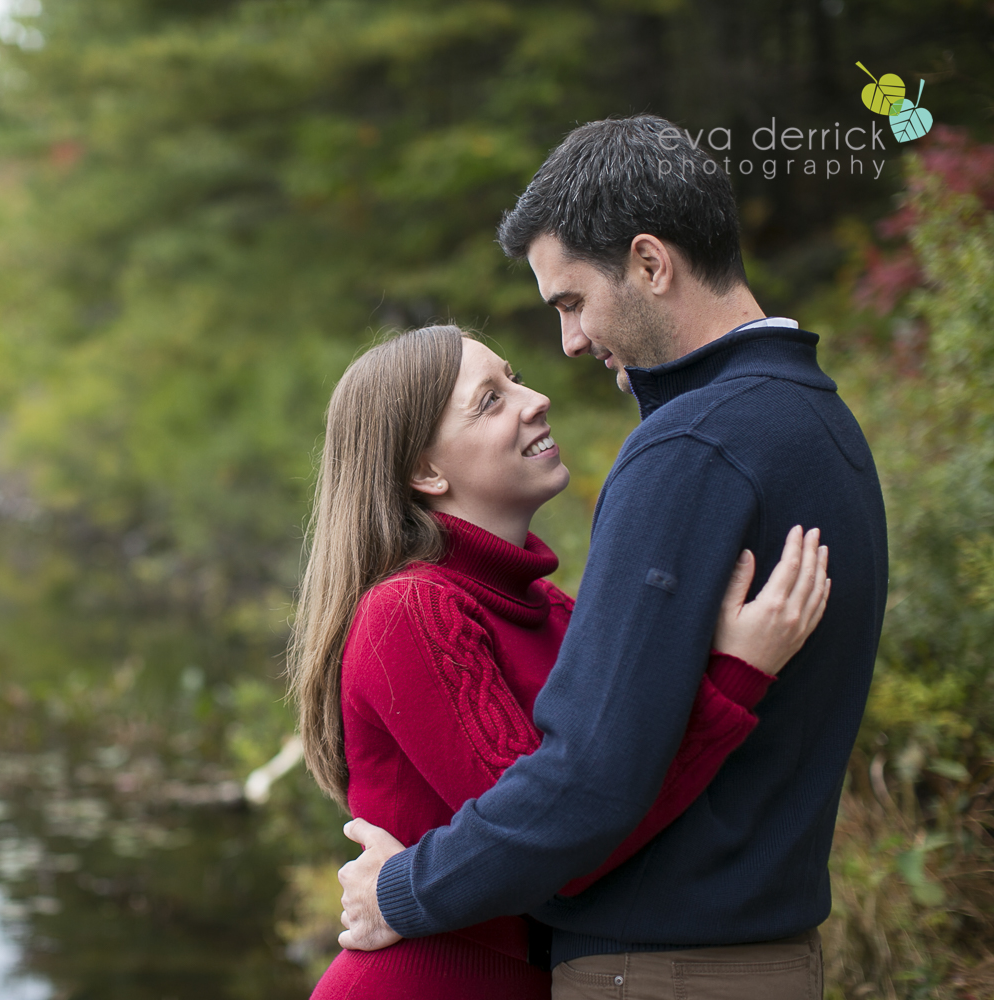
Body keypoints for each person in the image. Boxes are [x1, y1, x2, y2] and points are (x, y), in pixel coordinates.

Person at [335, 115, 888, 998]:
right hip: (734, 957)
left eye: (571, 302)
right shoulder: (817, 422)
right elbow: (588, 784)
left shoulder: (689, 448)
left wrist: (402, 887)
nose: (568, 350)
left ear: (650, 264)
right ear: (422, 471)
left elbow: (585, 788)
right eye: (491, 397)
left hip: (667, 969)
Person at [289, 324, 829, 998]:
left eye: (514, 377)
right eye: (490, 400)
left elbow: (612, 791)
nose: (535, 398)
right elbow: (556, 839)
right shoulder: (412, 612)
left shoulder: (553, 610)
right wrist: (734, 679)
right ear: (425, 472)